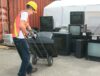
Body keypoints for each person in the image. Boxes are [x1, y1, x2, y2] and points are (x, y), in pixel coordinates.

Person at [12, 1, 38, 76]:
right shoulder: (25, 14)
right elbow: (21, 26)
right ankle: (21, 74)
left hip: (16, 37)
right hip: (20, 38)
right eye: (33, 11)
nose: (33, 13)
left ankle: (29, 69)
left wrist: (32, 32)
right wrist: (28, 34)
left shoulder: (23, 13)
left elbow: (27, 24)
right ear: (31, 9)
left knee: (24, 56)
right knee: (26, 57)